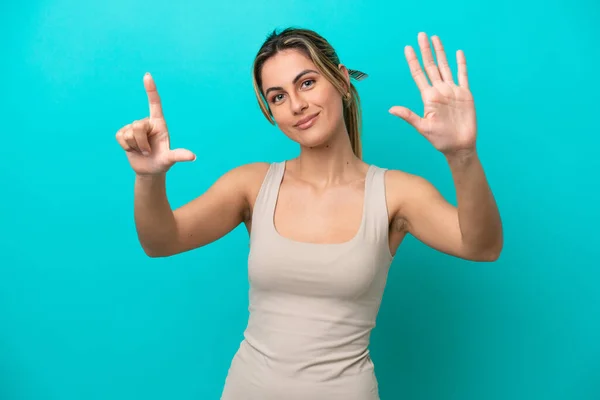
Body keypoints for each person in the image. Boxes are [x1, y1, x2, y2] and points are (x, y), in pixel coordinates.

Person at [115, 27, 503, 400]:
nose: (297, 105)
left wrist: (462, 155)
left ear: (341, 80)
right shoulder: (251, 185)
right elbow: (160, 241)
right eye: (278, 97)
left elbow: (482, 247)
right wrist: (148, 179)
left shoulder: (396, 193)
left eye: (306, 82)